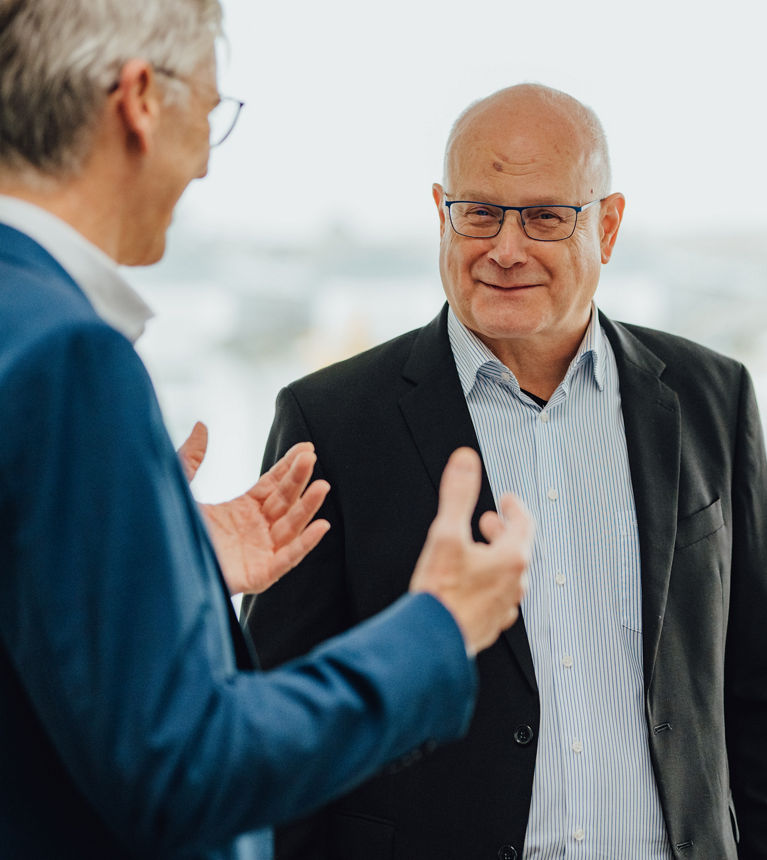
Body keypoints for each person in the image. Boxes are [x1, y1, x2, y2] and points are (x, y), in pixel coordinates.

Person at [0, 2, 533, 858]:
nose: (207, 164)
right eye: (212, 114)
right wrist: (438, 625)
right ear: (141, 100)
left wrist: (164, 559)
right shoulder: (72, 356)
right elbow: (184, 772)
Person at [241, 83, 767, 858]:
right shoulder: (331, 421)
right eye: (480, 213)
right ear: (441, 213)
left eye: (545, 217)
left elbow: (764, 695)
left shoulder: (713, 399)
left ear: (607, 226)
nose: (506, 250)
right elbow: (281, 720)